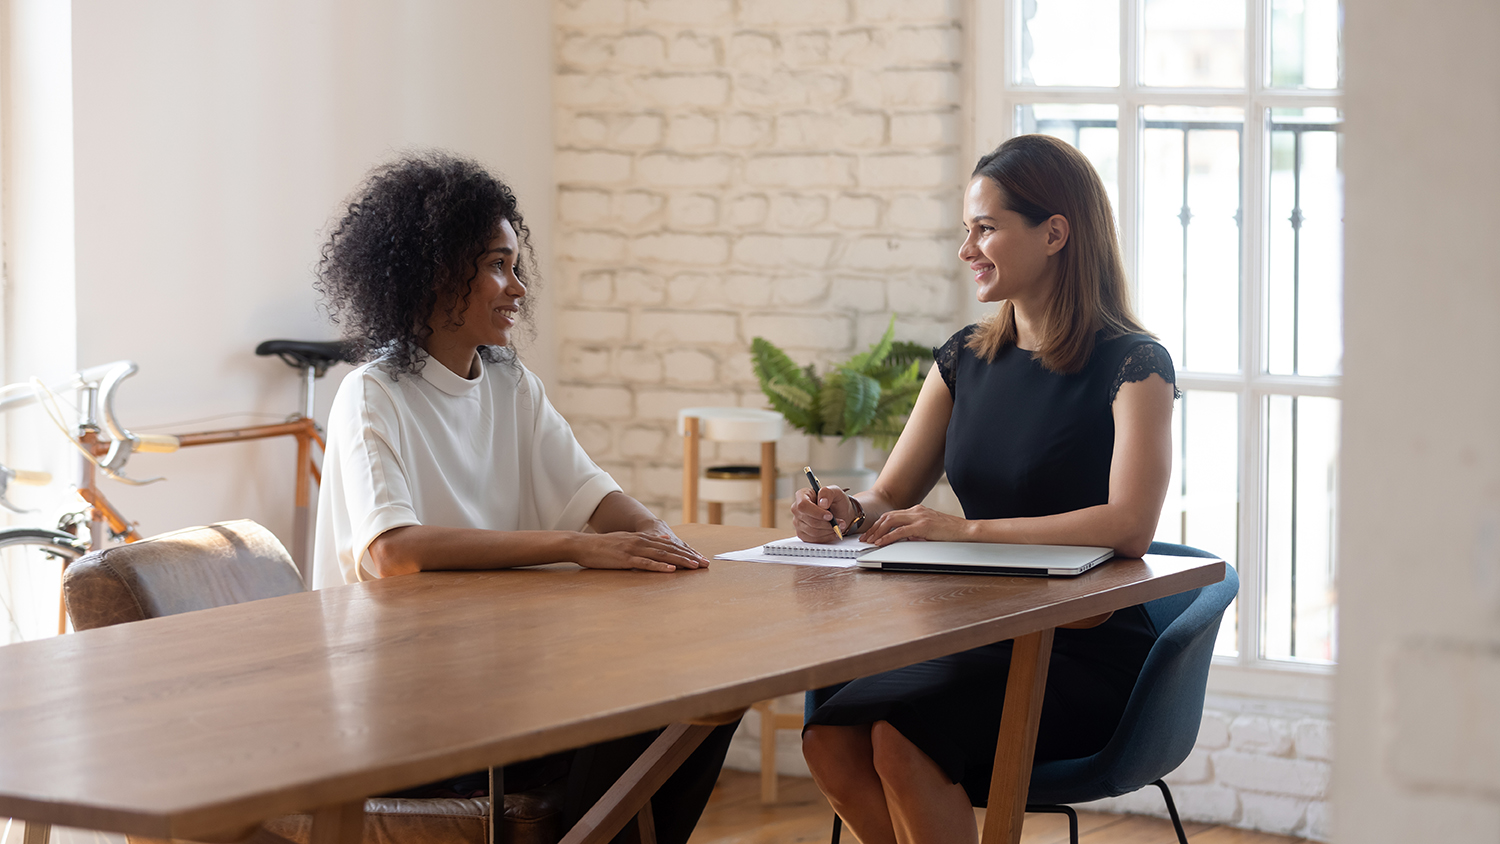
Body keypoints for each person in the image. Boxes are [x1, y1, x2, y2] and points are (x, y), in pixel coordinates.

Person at [312, 151, 733, 844]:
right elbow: (393, 551)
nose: (517, 289)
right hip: (400, 717)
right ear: (435, 273)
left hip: (499, 689)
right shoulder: (373, 393)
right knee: (654, 718)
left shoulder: (508, 384)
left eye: (516, 265)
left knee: (707, 697)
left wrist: (660, 541)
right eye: (496, 265)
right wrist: (576, 548)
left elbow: (595, 495)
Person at [792, 134, 1178, 844]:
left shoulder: (1135, 364)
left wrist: (961, 530)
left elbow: (1131, 525)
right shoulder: (966, 357)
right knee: (830, 736)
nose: (966, 248)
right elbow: (889, 495)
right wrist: (844, 512)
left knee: (903, 737)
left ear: (1055, 233)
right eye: (966, 230)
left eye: (986, 228)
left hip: (1085, 650)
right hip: (980, 635)